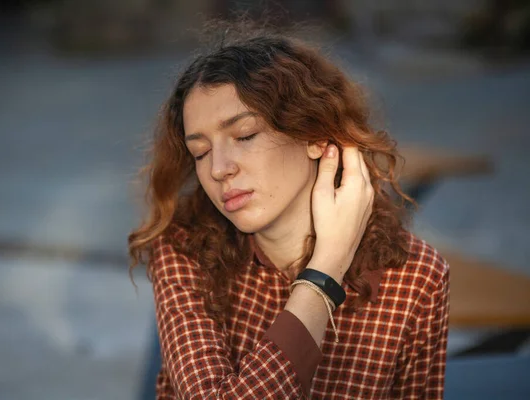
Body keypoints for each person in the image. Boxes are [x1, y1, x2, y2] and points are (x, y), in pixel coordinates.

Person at [128, 23, 450, 399]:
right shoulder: (183, 248)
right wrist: (325, 270)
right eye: (200, 152)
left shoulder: (417, 279)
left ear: (313, 135)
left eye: (245, 135)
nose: (218, 169)